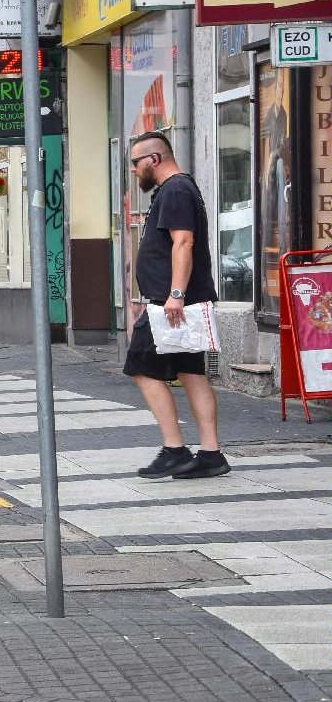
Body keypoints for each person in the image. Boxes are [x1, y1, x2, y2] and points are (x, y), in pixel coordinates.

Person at [124, 131, 227, 480]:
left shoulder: (176, 190)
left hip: (170, 305)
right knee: (191, 373)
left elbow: (183, 242)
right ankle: (211, 455)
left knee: (140, 368)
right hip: (174, 303)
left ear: (154, 159)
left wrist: (176, 294)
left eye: (135, 164)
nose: (134, 171)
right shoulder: (177, 190)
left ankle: (174, 450)